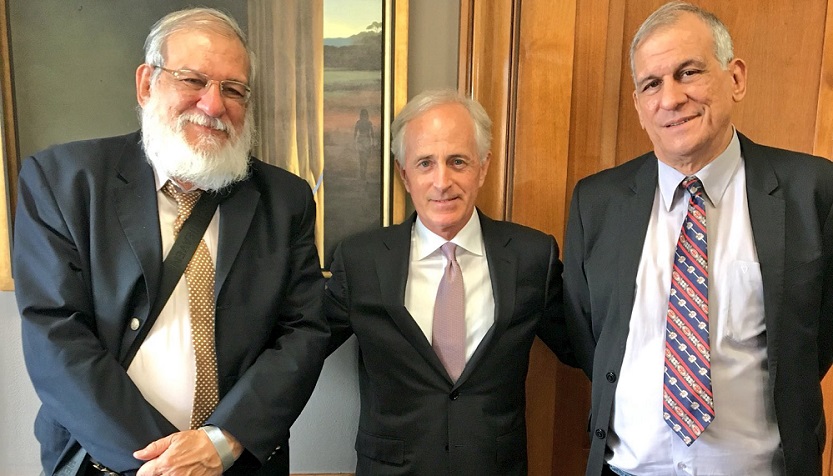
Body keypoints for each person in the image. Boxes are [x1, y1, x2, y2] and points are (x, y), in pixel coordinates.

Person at [14, 8, 329, 476]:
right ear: (147, 84)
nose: (213, 105)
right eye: (193, 80)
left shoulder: (285, 200)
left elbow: (303, 333)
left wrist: (220, 443)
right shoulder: (64, 182)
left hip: (237, 462)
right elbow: (56, 337)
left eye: (233, 89)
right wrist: (167, 465)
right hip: (111, 464)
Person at [563, 2, 833, 475]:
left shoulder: (812, 191)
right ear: (638, 106)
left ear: (736, 78)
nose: (670, 99)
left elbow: (816, 341)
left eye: (689, 72)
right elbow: (591, 337)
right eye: (652, 84)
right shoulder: (597, 202)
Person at [325, 89, 575, 475]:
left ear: (483, 167)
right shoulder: (360, 260)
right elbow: (301, 345)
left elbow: (584, 346)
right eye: (425, 163)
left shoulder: (531, 257)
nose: (442, 181)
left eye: (458, 161)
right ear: (405, 175)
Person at [353, 108, 374, 180]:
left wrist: (355, 140)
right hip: (364, 141)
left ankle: (363, 174)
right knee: (363, 159)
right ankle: (363, 174)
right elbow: (372, 133)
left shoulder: (361, 122)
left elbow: (355, 133)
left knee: (363, 159)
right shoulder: (368, 123)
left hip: (363, 140)